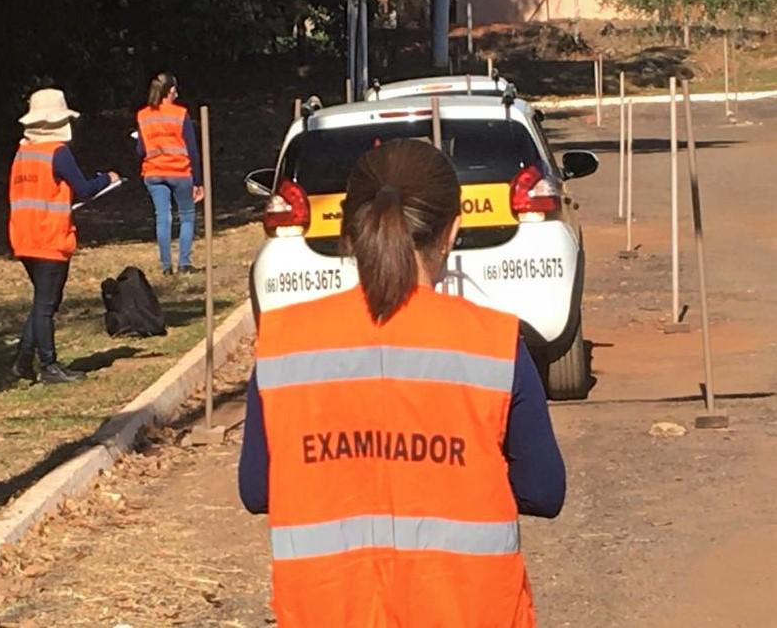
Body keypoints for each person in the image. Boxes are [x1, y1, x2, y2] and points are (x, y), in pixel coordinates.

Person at [238, 139, 565, 627]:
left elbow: (256, 489)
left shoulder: (284, 344)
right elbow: (543, 491)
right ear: (452, 231)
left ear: (349, 233)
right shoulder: (494, 343)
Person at [9, 88, 119, 384]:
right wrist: (106, 179)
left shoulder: (23, 153)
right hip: (50, 237)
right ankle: (49, 365)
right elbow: (83, 189)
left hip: (24, 237)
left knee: (43, 301)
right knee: (46, 306)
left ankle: (23, 360)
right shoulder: (57, 152)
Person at [135, 72, 204, 276]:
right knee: (187, 216)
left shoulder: (143, 115)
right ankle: (184, 263)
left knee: (162, 218)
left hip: (154, 173)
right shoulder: (180, 114)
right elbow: (192, 149)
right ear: (171, 90)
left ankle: (166, 266)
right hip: (180, 171)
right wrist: (198, 181)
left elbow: (140, 150)